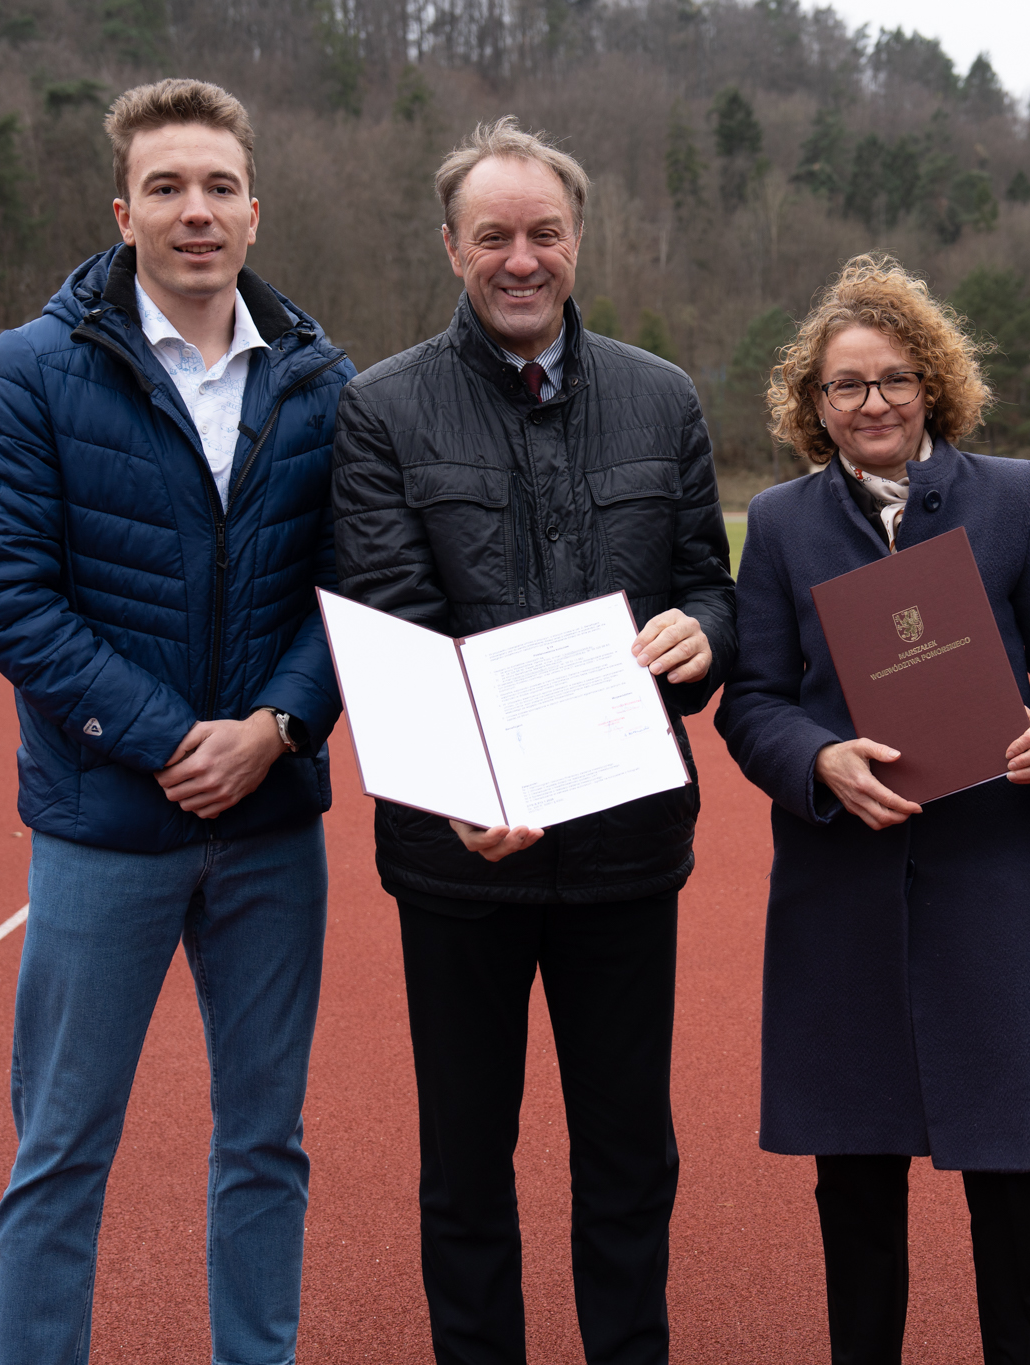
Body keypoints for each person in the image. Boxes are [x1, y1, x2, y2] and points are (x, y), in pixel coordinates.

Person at [0, 78, 354, 1365]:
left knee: (264, 1143)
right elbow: (2, 591)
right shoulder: (30, 371)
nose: (197, 211)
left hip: (274, 826)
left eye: (219, 187)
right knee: (61, 1152)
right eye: (168, 188)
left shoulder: (323, 380)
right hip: (103, 826)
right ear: (124, 211)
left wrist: (278, 727)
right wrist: (177, 739)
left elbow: (355, 588)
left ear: (254, 210)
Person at [330, 117, 736, 1365]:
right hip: (462, 859)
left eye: (543, 232)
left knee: (628, 1150)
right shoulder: (380, 409)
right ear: (453, 248)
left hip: (624, 848)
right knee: (465, 1156)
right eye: (494, 235)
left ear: (576, 241)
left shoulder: (660, 396)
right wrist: (463, 787)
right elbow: (394, 622)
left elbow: (706, 584)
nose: (522, 257)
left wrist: (699, 640)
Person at [714, 254, 1030, 1365]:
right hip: (839, 889)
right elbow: (748, 699)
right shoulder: (784, 522)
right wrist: (815, 759)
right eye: (845, 386)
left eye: (893, 378)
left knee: (1014, 1191)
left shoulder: (1013, 497)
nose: (873, 402)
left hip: (988, 884)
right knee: (853, 1192)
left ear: (931, 386)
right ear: (814, 405)